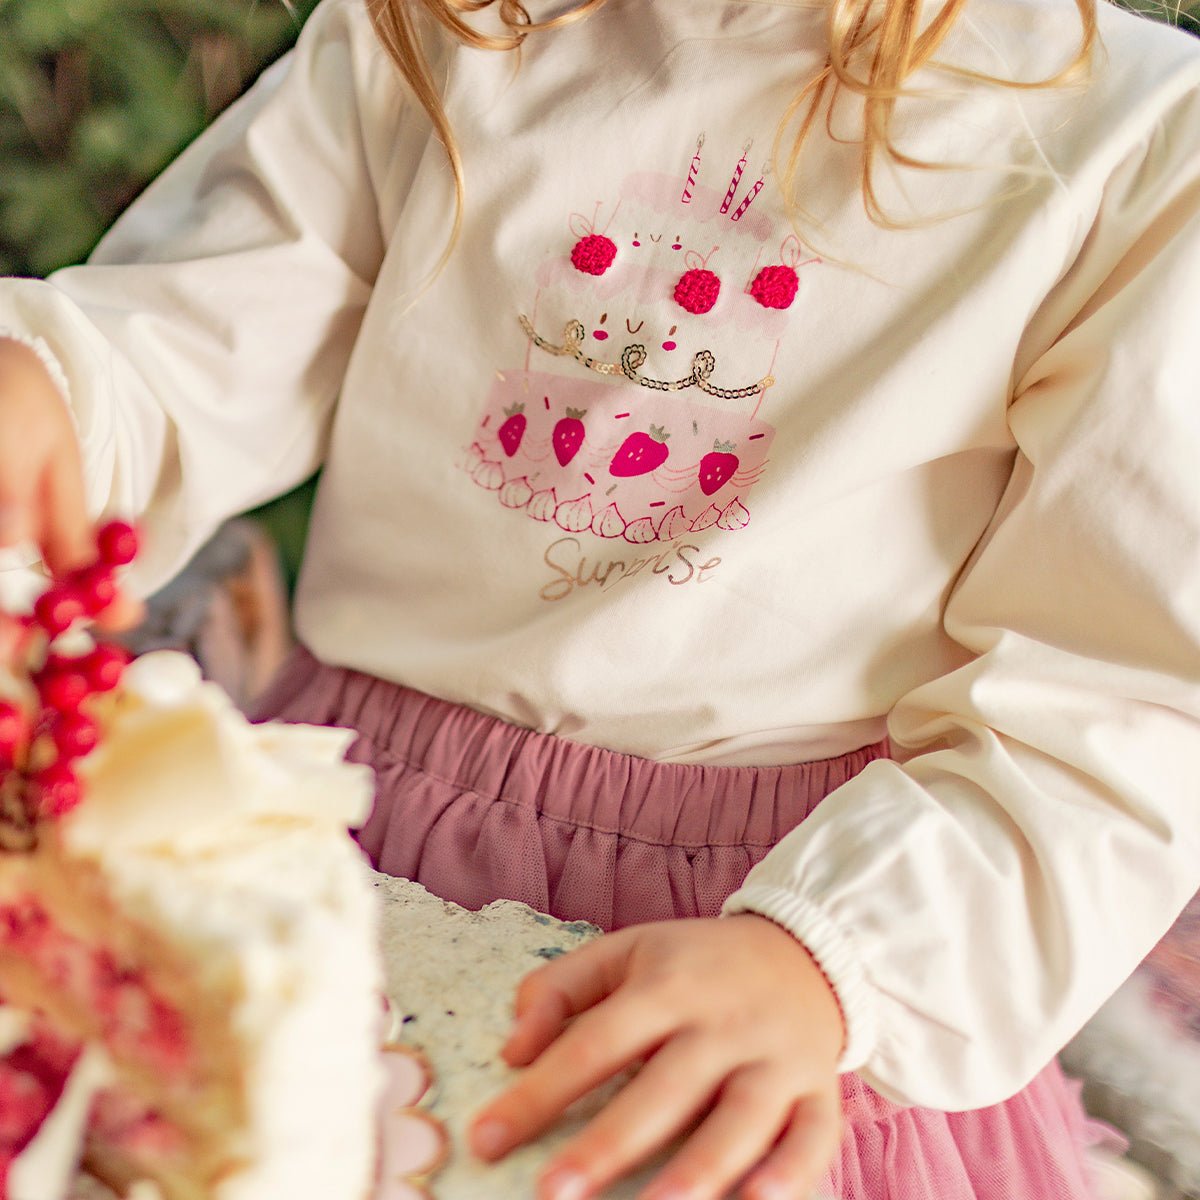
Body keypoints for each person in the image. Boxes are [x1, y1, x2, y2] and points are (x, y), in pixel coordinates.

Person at [2, 0, 1199, 1195]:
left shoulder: (1134, 137)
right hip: (339, 850)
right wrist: (61, 393)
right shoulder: (440, 27)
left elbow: (1123, 691)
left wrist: (838, 960)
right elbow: (199, 333)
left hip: (767, 941)